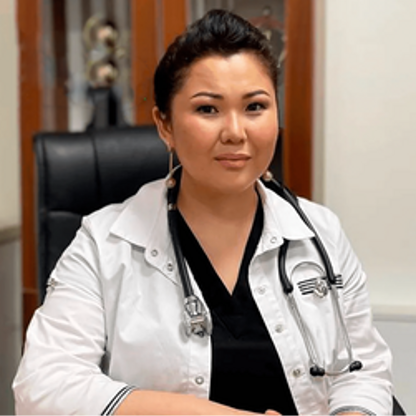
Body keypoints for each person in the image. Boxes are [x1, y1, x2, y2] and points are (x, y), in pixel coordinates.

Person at [13, 9, 393, 416]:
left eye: (255, 106)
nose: (235, 132)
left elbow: (363, 371)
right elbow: (44, 387)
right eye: (208, 110)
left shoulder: (319, 232)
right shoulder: (103, 244)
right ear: (165, 126)